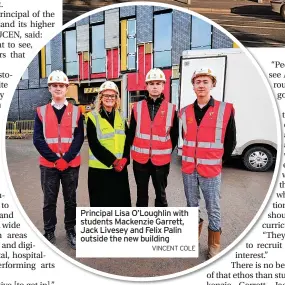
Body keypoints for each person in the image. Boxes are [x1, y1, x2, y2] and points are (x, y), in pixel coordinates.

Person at [179, 67, 236, 259]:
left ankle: (214, 245)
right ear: (193, 86)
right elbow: (185, 138)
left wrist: (218, 161)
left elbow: (230, 141)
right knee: (191, 205)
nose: (201, 85)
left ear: (213, 84)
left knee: (213, 207)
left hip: (211, 169)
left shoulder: (225, 109)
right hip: (188, 169)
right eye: (198, 82)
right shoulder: (185, 111)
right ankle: (192, 239)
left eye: (205, 81)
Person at [33, 70, 84, 249]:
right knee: (49, 200)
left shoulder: (77, 112)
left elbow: (79, 138)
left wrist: (66, 159)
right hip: (49, 165)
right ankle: (49, 231)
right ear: (49, 88)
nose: (58, 88)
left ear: (66, 88)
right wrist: (56, 160)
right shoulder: (40, 112)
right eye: (54, 85)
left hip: (71, 165)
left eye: (61, 85)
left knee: (71, 199)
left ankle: (71, 229)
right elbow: (37, 139)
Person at [128, 68, 179, 207]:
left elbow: (174, 135)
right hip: (140, 160)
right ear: (147, 86)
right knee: (141, 195)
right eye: (151, 83)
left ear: (163, 86)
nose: (155, 86)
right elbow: (131, 133)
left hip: (161, 162)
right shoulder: (137, 107)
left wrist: (165, 150)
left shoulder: (171, 109)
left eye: (158, 83)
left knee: (161, 196)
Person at [86, 81, 131, 207]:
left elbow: (127, 141)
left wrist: (125, 159)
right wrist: (114, 161)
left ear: (116, 99)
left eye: (113, 96)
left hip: (120, 170)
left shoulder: (121, 118)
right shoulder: (92, 117)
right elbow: (94, 145)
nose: (109, 98)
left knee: (120, 205)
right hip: (100, 171)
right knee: (101, 205)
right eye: (106, 95)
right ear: (101, 98)